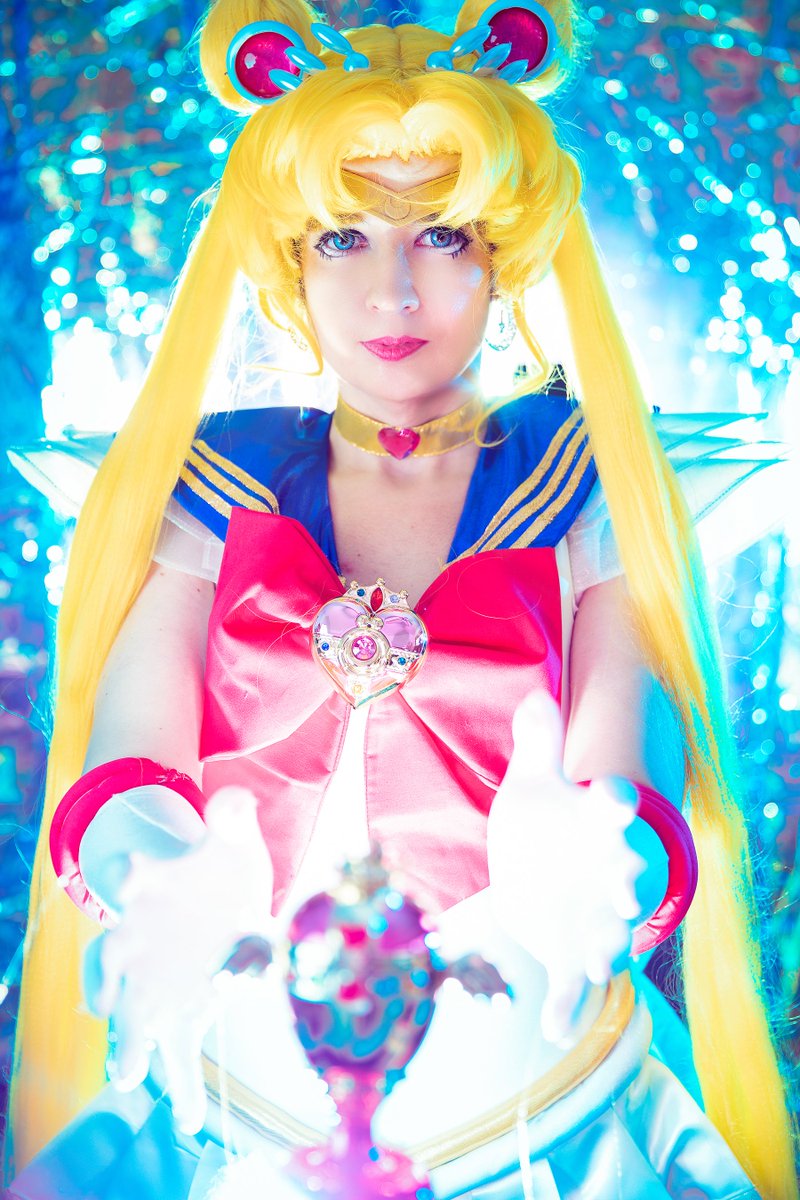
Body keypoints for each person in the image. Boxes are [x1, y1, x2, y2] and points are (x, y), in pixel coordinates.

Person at [3, 0, 797, 1197]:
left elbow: (623, 764)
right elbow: (131, 751)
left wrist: (594, 859)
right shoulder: (214, 484)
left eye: (440, 235)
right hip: (240, 1091)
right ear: (287, 257)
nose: (391, 292)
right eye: (342, 237)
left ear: (503, 253)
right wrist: (153, 873)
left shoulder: (583, 482)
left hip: (542, 1096)